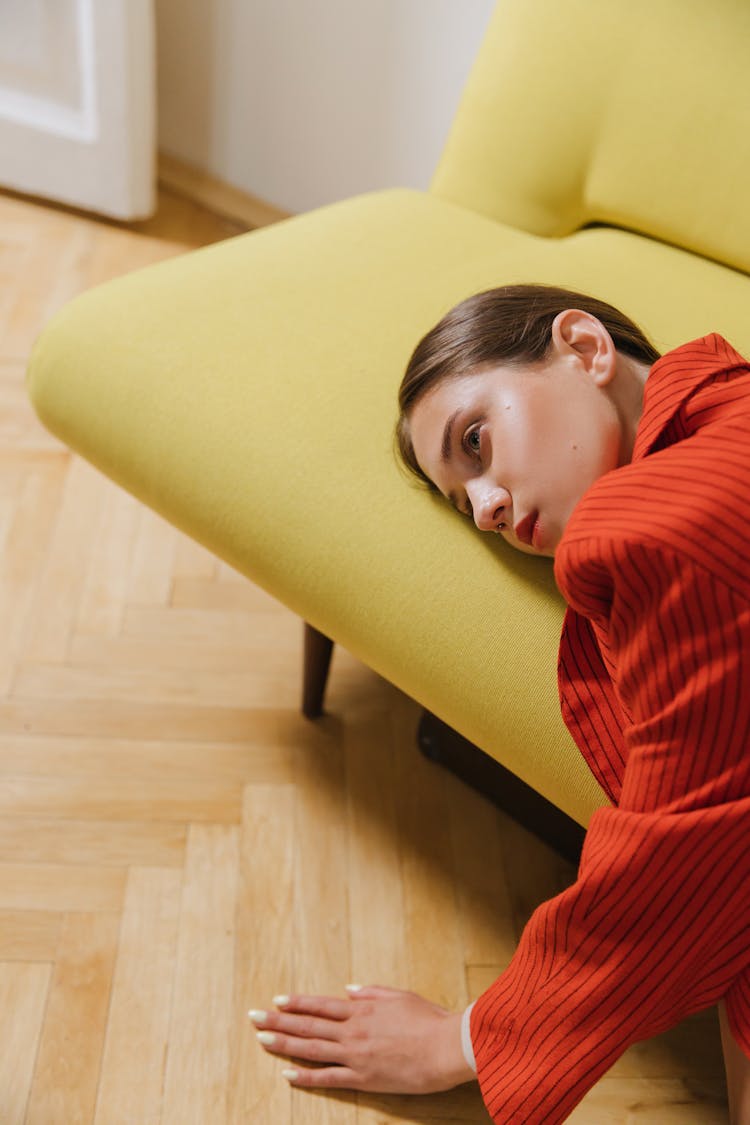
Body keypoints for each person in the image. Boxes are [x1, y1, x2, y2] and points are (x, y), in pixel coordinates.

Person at [250, 285, 750, 1123]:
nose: (485, 507)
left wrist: (468, 1039)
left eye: (476, 441)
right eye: (462, 502)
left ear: (586, 347)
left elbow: (682, 848)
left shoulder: (654, 528)